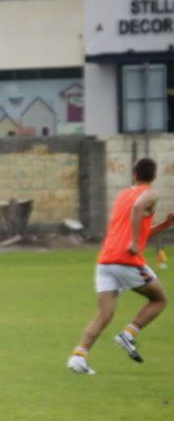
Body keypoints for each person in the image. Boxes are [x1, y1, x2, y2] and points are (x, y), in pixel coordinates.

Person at [67, 157, 173, 374]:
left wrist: (164, 225)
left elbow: (139, 228)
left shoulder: (122, 195)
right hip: (126, 260)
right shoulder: (150, 194)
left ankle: (79, 357)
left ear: (133, 175)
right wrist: (134, 241)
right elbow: (138, 209)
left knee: (104, 315)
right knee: (160, 299)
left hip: (105, 261)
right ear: (153, 177)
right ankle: (128, 335)